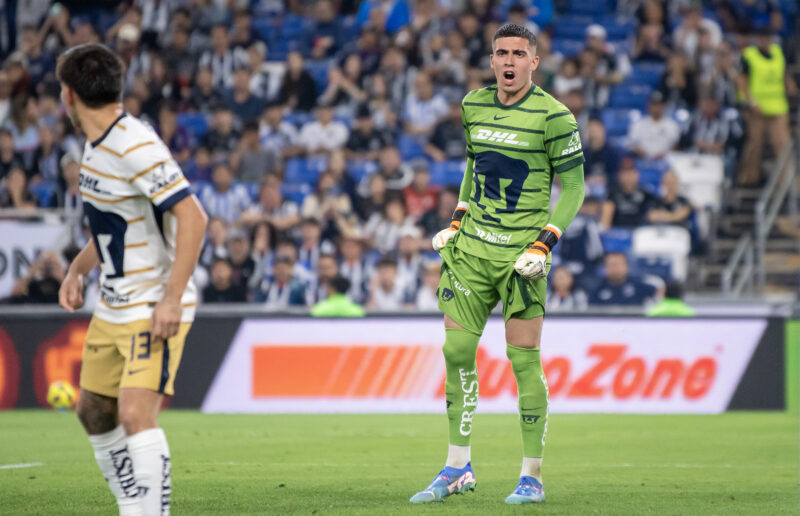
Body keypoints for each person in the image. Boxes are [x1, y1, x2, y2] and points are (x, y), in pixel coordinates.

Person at [410, 24, 585, 505]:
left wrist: (544, 244)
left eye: (519, 54)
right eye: (501, 53)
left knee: (522, 360)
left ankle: (532, 476)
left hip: (521, 257)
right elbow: (473, 165)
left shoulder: (555, 117)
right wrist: (458, 217)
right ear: (492, 60)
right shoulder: (472, 105)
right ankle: (456, 468)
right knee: (456, 353)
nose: (509, 61)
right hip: (471, 251)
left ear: (534, 62)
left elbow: (574, 189)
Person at [56, 44, 208, 516]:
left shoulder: (135, 144)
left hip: (152, 306)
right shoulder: (95, 144)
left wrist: (171, 299)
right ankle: (132, 506)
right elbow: (114, 223)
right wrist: (79, 268)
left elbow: (193, 217)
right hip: (113, 303)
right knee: (94, 412)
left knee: (136, 416)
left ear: (67, 96)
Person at [737, 28, 796, 186]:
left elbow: (782, 72)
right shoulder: (749, 55)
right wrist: (751, 102)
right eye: (762, 38)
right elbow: (742, 80)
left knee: (782, 144)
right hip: (758, 107)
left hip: (777, 106)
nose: (765, 41)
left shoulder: (777, 53)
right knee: (755, 144)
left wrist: (789, 85)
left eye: (768, 38)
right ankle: (749, 178)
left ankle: (788, 182)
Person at [601, 162, 658, 230]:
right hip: (618, 231)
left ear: (637, 175)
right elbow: (606, 218)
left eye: (631, 174)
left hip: (639, 232)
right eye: (625, 174)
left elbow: (653, 213)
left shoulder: (645, 194)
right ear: (620, 176)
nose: (628, 178)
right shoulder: (613, 194)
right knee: (608, 206)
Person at [589, 253, 658, 306]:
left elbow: (658, 292)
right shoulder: (597, 290)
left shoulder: (638, 285)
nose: (614, 269)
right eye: (611, 265)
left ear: (626, 266)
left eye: (617, 265)